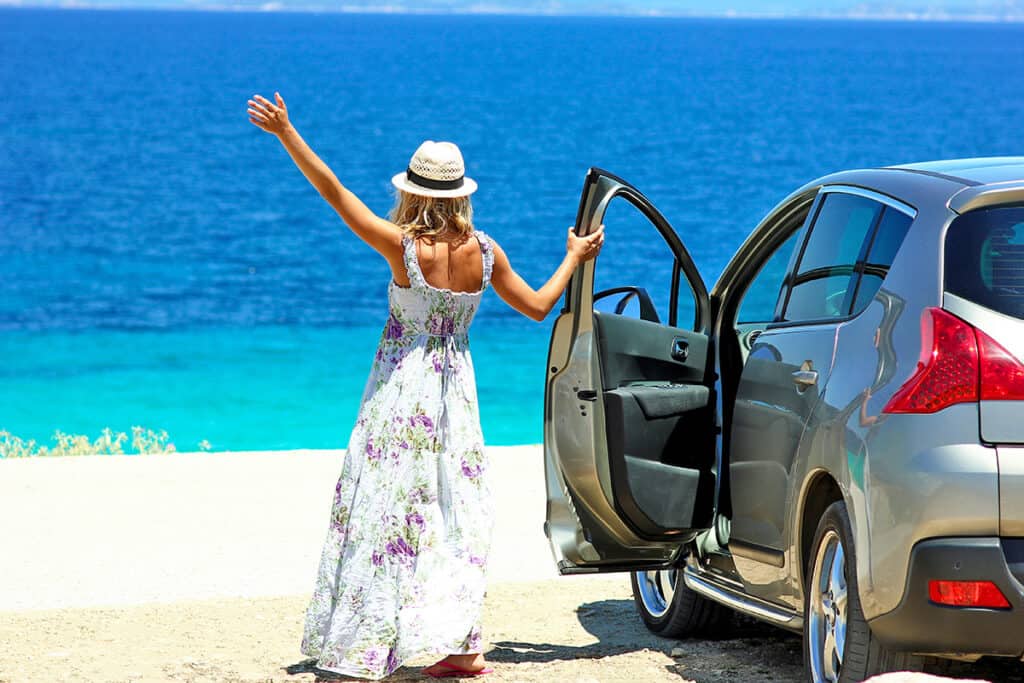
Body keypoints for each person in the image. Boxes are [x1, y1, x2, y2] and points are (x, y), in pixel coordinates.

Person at [247, 92, 604, 680]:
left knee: (388, 508)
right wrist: (573, 256)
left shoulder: (402, 246)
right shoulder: (486, 253)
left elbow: (334, 192)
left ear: (413, 192)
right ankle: (460, 644)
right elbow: (541, 307)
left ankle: (381, 642)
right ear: (462, 193)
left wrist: (288, 133)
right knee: (453, 511)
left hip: (400, 391)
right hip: (456, 394)